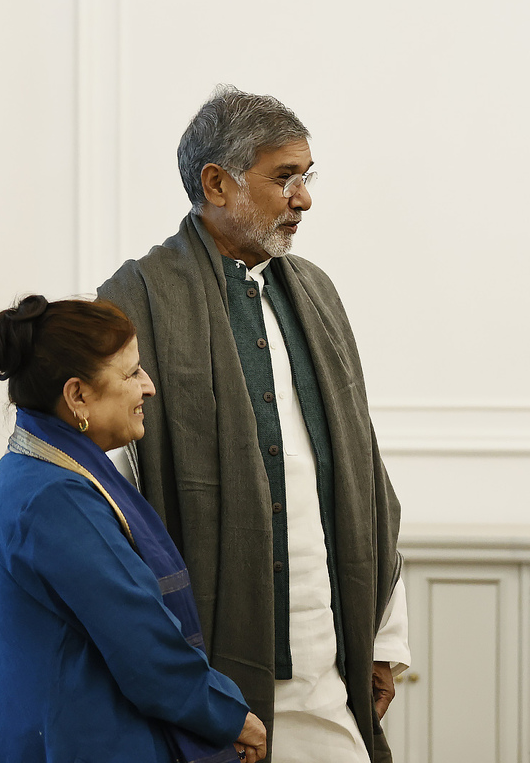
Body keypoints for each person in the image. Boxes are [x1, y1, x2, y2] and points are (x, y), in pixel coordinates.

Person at [98, 85, 407, 763]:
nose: (304, 199)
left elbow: (364, 469)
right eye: (284, 177)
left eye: (307, 177)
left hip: (329, 660)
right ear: (216, 183)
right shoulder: (132, 301)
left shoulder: (316, 293)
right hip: (205, 671)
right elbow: (112, 506)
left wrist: (383, 639)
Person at [0, 295, 267, 763]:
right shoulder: (57, 496)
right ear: (77, 395)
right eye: (131, 373)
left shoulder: (29, 469)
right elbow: (143, 646)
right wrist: (231, 717)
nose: (149, 386)